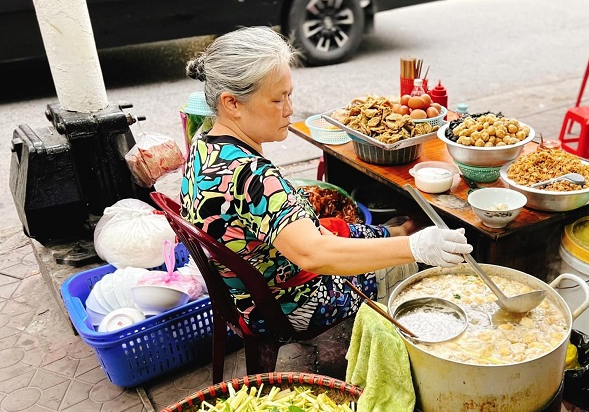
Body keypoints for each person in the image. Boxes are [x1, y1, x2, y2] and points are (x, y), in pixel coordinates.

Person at [182, 26, 472, 335]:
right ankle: (394, 345)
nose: (289, 110)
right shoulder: (250, 175)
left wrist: (404, 239)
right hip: (292, 303)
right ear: (232, 104)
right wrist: (415, 249)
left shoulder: (204, 145)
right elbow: (314, 254)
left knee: (383, 232)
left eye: (289, 95)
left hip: (255, 289)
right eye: (278, 101)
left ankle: (397, 230)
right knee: (407, 266)